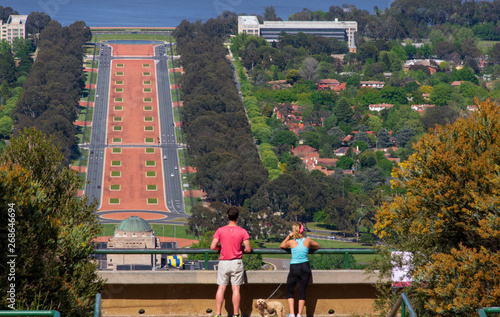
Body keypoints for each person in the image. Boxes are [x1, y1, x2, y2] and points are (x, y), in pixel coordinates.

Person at [211, 206, 252, 317]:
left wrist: (221, 248)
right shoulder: (242, 231)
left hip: (224, 262)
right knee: (236, 289)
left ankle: (218, 313)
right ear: (237, 217)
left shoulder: (220, 230)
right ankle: (236, 314)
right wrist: (240, 249)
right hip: (236, 262)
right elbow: (248, 249)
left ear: (227, 216)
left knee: (221, 288)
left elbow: (213, 246)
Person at [280, 223, 320, 317]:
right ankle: (299, 314)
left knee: (289, 291)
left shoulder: (291, 242)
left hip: (294, 267)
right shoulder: (307, 240)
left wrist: (288, 236)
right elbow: (318, 246)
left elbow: (282, 246)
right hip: (305, 266)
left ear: (293, 231)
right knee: (302, 291)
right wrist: (309, 246)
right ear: (302, 230)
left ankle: (292, 314)